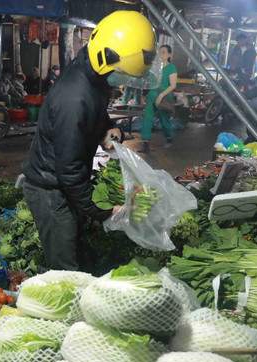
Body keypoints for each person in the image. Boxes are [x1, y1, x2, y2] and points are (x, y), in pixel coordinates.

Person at [21, 11, 156, 271]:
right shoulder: (74, 99)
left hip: (63, 183)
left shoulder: (92, 71)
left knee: (76, 252)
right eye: (123, 73)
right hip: (52, 191)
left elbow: (94, 113)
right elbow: (69, 171)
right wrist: (104, 211)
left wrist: (109, 128)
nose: (125, 80)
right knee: (65, 270)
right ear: (107, 58)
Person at [140, 44, 177, 152]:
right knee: (147, 118)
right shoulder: (154, 67)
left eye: (164, 52)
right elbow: (148, 80)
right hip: (151, 96)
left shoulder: (171, 68)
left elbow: (173, 85)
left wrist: (161, 95)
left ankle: (170, 138)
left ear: (169, 54)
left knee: (164, 119)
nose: (161, 54)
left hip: (164, 97)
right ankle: (145, 143)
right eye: (160, 52)